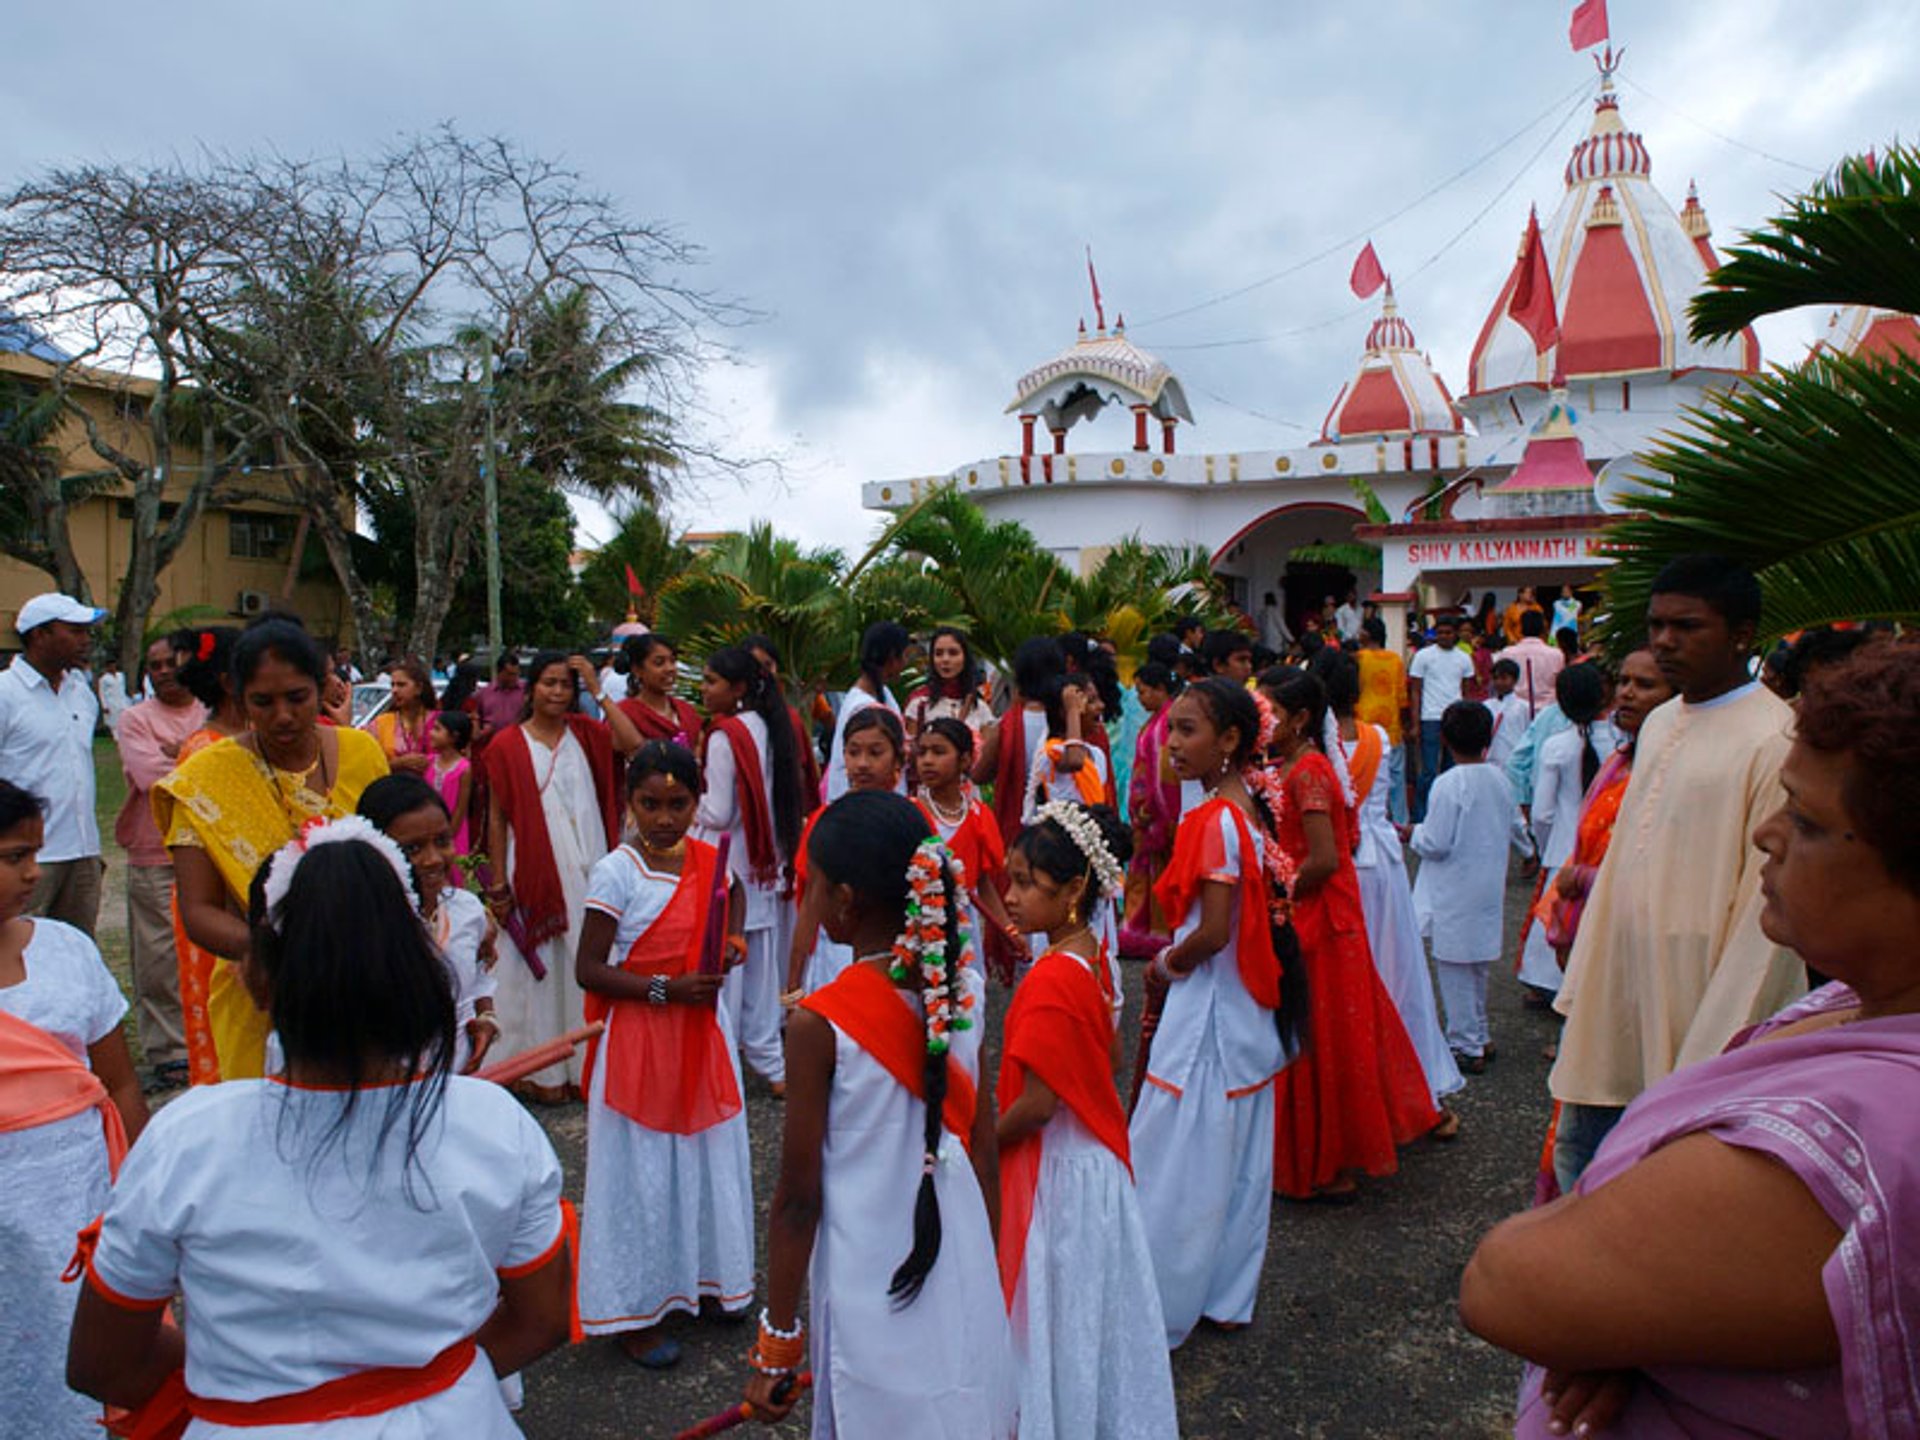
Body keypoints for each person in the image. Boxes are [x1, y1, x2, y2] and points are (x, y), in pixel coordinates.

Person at [1461, 641, 1920, 1439]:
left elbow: (1506, 1283)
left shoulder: (1885, 1126)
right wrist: (1641, 1322)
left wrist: (1609, 1314)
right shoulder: (1853, 1002)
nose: (1768, 836)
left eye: (1808, 822)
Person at [66, 819, 572, 1437]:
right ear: (422, 967)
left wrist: (246, 1378)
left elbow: (104, 1363)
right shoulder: (492, 1123)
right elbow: (540, 1320)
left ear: (256, 977)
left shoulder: (188, 1139)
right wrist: (424, 1385)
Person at [742, 790, 1014, 1436]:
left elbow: (797, 1200)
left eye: (812, 885)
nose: (807, 897)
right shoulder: (961, 991)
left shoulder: (819, 1024)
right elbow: (983, 1151)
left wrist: (776, 1343)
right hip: (960, 1245)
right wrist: (986, 1270)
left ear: (843, 900)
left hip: (870, 1267)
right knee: (961, 1393)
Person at [1549, 556, 1805, 1189]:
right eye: (1656, 624)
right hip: (1620, 986)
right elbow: (1621, 869)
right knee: (1585, 1173)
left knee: (1665, 1192)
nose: (1664, 641)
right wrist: (1586, 980)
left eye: (1687, 626)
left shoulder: (1774, 738)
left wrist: (1716, 1052)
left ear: (1742, 634)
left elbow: (1765, 919)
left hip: (1700, 999)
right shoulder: (1660, 722)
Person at [998, 803, 1180, 1439]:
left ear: (1075, 889)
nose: (1011, 897)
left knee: (1059, 1323)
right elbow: (1112, 1056)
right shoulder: (1092, 960)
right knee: (1091, 1322)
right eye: (1011, 879)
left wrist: (969, 1148)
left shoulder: (1051, 978)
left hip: (1063, 1177)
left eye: (1025, 882)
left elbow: (1036, 1105)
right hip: (1093, 1172)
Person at [576, 742, 754, 1367]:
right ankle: (637, 1313)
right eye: (650, 804)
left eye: (678, 804)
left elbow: (735, 896)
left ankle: (709, 1279)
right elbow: (589, 970)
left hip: (703, 1033)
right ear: (629, 803)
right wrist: (664, 989)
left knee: (704, 1156)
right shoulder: (616, 871)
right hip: (641, 1037)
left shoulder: (710, 860)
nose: (664, 818)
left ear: (696, 803)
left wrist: (731, 942)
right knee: (642, 1173)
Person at [156, 616, 390, 1081]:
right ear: (237, 695)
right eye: (262, 702)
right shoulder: (206, 779)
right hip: (262, 994)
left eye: (297, 697)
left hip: (364, 984)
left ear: (321, 687)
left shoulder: (363, 753)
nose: (282, 715)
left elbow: (392, 863)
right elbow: (198, 910)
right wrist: (281, 949)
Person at [1132, 678, 1287, 1346]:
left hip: (1209, 1013)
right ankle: (1223, 1293)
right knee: (1235, 1161)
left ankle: (1157, 1301)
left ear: (1230, 740)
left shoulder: (1213, 820)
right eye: (1171, 729)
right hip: (1243, 1010)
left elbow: (1214, 931)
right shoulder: (1244, 809)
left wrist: (1165, 965)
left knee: (1177, 1158)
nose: (1173, 744)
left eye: (1189, 730)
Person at [0, 779, 149, 1438]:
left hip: (83, 1190)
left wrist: (140, 1190)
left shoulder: (66, 950)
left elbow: (118, 1081)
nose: (34, 873)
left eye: (35, 852)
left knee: (84, 1335)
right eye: (11, 858)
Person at [1264, 670, 1445, 1196]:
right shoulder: (1293, 765)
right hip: (1316, 911)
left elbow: (1323, 858)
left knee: (1324, 1033)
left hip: (1319, 914)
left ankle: (1327, 1159)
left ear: (1299, 720)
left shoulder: (1310, 772)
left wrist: (1279, 889)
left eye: (1270, 712)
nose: (1262, 722)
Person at [483, 651, 642, 1102]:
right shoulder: (506, 745)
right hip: (533, 868)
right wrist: (498, 882)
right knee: (538, 968)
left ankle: (587, 1066)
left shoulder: (588, 734)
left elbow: (633, 746)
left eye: (564, 685)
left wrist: (597, 689)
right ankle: (541, 1071)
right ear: (531, 688)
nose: (556, 692)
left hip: (591, 864)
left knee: (588, 958)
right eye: (548, 683)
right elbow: (496, 818)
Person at [1323, 651, 1464, 1114]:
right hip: (1381, 862)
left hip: (1343, 863)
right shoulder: (1378, 738)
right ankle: (1407, 1072)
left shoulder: (1315, 750)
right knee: (1395, 967)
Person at [695, 645, 806, 1092]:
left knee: (727, 969)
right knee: (761, 970)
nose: (703, 690)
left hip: (729, 861)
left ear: (737, 689)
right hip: (766, 859)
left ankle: (720, 1064)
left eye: (709, 682)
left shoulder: (726, 736)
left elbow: (718, 812)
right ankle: (771, 1064)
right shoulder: (770, 725)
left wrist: (685, 806)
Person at [1406, 702, 1536, 1074]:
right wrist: (1528, 850)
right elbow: (1515, 825)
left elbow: (1436, 842)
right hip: (1486, 885)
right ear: (1489, 737)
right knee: (1476, 965)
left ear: (1443, 738)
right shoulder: (1499, 778)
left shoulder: (1449, 784)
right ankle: (1479, 1033)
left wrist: (1412, 833)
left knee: (1455, 969)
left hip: (1456, 889)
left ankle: (1466, 1044)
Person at [111, 634, 206, 1088]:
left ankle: (207, 1042)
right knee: (158, 958)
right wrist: (201, 756)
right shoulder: (135, 719)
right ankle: (170, 1053)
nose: (163, 671)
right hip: (153, 850)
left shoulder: (209, 710)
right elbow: (154, 779)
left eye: (172, 662)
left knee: (209, 951)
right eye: (154, 665)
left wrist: (180, 755)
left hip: (209, 849)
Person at [357, 774, 499, 1075]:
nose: (433, 859)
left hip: (458, 1079)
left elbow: (477, 976)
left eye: (442, 841)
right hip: (389, 1089)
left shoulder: (467, 910)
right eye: (412, 849)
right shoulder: (363, 926)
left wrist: (485, 1018)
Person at [0, 593, 106, 934]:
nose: (85, 640)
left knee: (75, 952)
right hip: (26, 856)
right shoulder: (5, 693)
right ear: (38, 635)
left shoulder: (80, 692)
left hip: (83, 851)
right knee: (17, 957)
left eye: (87, 631)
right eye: (74, 630)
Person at [788, 706, 907, 997]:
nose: (862, 764)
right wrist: (793, 982)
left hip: (899, 956)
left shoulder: (910, 819)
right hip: (835, 955)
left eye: (875, 753)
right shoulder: (825, 821)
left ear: (899, 759)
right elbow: (810, 903)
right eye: (853, 753)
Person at [1514, 665, 1615, 1001]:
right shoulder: (1623, 743)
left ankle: (1551, 988)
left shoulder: (1557, 746)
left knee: (1558, 922)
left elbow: (1542, 813)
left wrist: (1545, 848)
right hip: (1606, 852)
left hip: (1563, 850)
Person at [914, 717, 1021, 981]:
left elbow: (982, 884)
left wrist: (1009, 929)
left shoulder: (978, 816)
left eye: (938, 752)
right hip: (920, 923)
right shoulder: (910, 814)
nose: (927, 760)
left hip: (964, 925)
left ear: (964, 760)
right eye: (922, 752)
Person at [1121, 660, 1182, 957]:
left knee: (1156, 875)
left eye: (1144, 692)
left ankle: (1155, 932)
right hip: (1148, 813)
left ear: (1160, 690)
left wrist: (1154, 814)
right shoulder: (1159, 719)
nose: (1141, 699)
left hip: (1155, 815)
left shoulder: (1164, 724)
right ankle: (1146, 931)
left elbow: (1162, 776)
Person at [825, 621, 909, 801]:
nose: (905, 663)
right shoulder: (861, 706)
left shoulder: (883, 693)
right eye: (903, 656)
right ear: (893, 658)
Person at [742, 632, 825, 806]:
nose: (762, 673)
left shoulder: (791, 719)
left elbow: (804, 774)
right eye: (754, 665)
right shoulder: (728, 719)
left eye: (768, 665)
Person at [1408, 613, 1475, 822]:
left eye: (1448, 632)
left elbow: (1466, 692)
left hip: (1454, 717)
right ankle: (1421, 816)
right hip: (1430, 718)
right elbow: (1416, 691)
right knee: (1428, 771)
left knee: (1451, 770)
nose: (1443, 636)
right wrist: (1415, 723)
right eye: (1440, 633)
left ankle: (1447, 815)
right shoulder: (1423, 656)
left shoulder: (1464, 658)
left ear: (1455, 634)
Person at [1353, 617, 1413, 825]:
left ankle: (1370, 819)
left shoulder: (1357, 659)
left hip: (1364, 725)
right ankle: (1400, 821)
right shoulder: (1395, 660)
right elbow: (1402, 697)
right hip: (1391, 725)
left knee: (1367, 775)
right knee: (1396, 778)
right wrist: (1406, 725)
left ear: (1367, 634)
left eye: (1361, 629)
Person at [901, 625, 994, 752]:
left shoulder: (979, 707)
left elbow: (986, 757)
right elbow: (909, 752)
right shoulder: (919, 703)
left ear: (965, 657)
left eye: (953, 653)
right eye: (938, 653)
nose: (945, 659)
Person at [616, 633, 702, 749]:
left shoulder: (687, 711)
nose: (670, 668)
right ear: (637, 670)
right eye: (659, 663)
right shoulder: (623, 714)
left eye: (672, 661)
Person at [372, 655, 438, 775]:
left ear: (418, 688)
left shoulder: (439, 721)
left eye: (401, 685)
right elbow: (368, 764)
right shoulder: (380, 723)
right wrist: (397, 764)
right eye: (392, 685)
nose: (394, 690)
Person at [426, 709, 476, 860]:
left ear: (454, 736)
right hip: (429, 830)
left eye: (437, 729)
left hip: (454, 833)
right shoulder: (428, 763)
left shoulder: (464, 768)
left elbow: (460, 809)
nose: (431, 733)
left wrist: (447, 836)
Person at [1505, 609, 1567, 719]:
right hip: (1548, 711)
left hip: (1516, 712)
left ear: (1520, 628)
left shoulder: (1508, 653)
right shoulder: (1556, 654)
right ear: (1543, 628)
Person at [1483, 658, 1532, 773]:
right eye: (1495, 678)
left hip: (1515, 762)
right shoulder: (1486, 706)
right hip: (1490, 761)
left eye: (1504, 678)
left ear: (1515, 680)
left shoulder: (1524, 707)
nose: (1499, 682)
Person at [473, 653, 527, 744]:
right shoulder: (484, 693)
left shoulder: (526, 692)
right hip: (491, 744)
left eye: (516, 674)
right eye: (510, 674)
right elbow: (476, 717)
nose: (514, 678)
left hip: (519, 743)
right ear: (500, 672)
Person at [95, 658, 130, 735]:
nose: (113, 667)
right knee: (114, 723)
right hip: (111, 703)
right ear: (107, 667)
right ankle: (116, 738)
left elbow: (123, 689)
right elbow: (101, 693)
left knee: (125, 719)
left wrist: (127, 700)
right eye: (110, 666)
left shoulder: (120, 675)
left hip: (122, 701)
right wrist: (104, 706)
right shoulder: (104, 679)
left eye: (114, 665)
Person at [1256, 591, 1293, 656]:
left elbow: (1259, 628)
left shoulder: (1262, 613)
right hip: (1275, 644)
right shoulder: (1275, 611)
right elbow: (1282, 627)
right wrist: (1291, 639)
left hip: (1264, 644)